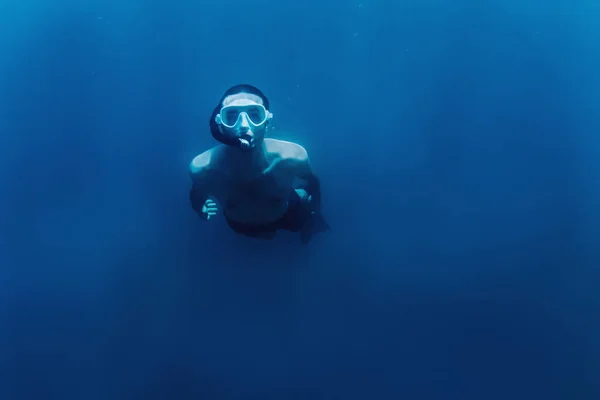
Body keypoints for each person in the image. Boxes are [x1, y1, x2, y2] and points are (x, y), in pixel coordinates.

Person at [188, 84, 329, 243]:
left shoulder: (292, 156)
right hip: (240, 225)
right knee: (265, 235)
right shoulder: (202, 168)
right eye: (232, 117)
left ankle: (307, 216)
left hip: (288, 213)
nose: (243, 125)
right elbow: (196, 192)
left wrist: (315, 208)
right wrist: (200, 207)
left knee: (301, 214)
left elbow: (313, 182)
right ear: (220, 124)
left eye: (255, 115)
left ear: (267, 122)